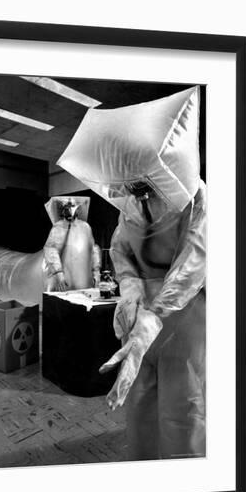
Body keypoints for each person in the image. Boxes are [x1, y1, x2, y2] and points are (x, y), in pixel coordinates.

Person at [56, 86, 206, 460]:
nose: (134, 193)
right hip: (139, 316)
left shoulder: (197, 199)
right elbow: (121, 248)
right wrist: (130, 285)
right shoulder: (130, 205)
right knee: (140, 405)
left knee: (182, 408)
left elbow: (194, 262)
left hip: (185, 318)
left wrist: (154, 316)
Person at [44, 197, 101, 292]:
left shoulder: (85, 227)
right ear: (63, 210)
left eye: (72, 206)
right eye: (67, 207)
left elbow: (93, 250)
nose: (70, 210)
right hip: (65, 278)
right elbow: (51, 250)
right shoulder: (58, 228)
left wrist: (96, 271)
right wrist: (59, 273)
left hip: (84, 276)